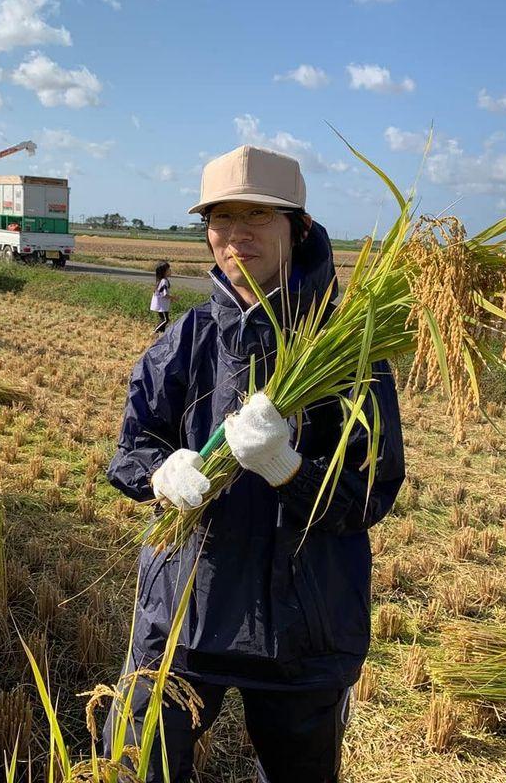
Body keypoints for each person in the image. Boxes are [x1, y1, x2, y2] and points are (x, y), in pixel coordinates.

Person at [105, 145, 405, 783]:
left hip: (305, 625)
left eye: (257, 217)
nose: (234, 236)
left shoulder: (348, 350)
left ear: (296, 227)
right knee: (134, 769)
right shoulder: (185, 340)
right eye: (220, 218)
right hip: (183, 616)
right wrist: (160, 473)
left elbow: (372, 490)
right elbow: (130, 447)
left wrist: (288, 470)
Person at [150, 261, 172, 333]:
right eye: (168, 269)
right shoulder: (164, 281)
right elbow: (164, 294)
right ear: (164, 272)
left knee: (163, 319)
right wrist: (173, 298)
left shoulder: (161, 280)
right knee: (166, 320)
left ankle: (161, 334)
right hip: (162, 305)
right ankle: (154, 332)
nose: (170, 271)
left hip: (161, 304)